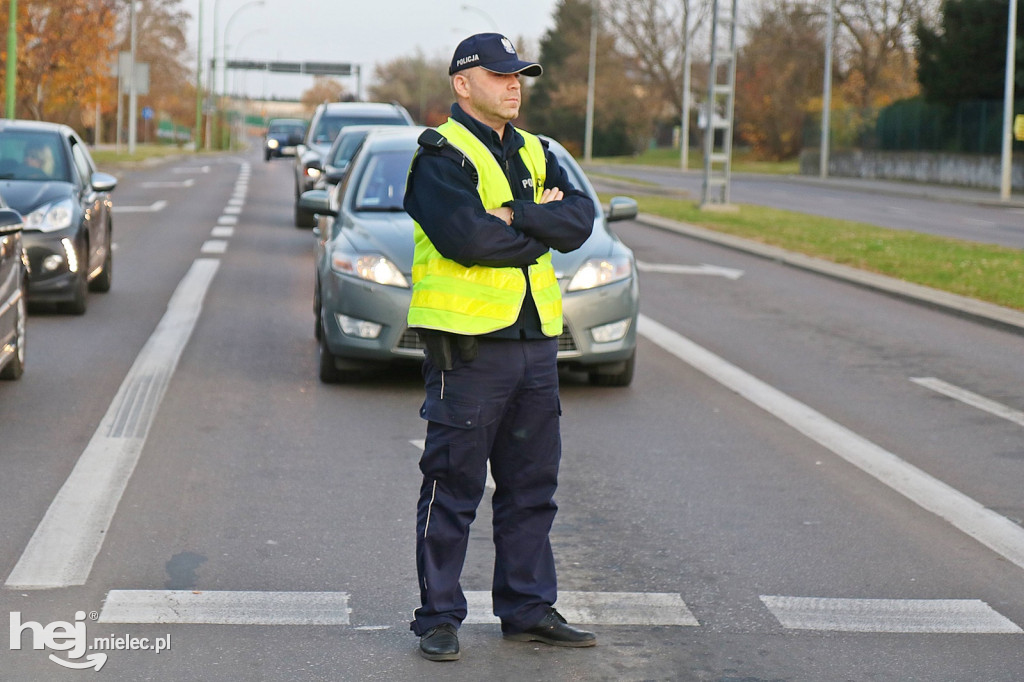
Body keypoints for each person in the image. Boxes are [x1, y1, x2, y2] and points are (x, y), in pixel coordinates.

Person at [404, 32, 597, 662]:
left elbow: (580, 221)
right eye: (499, 74)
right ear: (463, 84)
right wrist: (535, 224)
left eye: (519, 74)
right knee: (452, 486)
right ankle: (438, 616)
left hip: (536, 344)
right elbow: (468, 239)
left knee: (532, 486)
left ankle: (528, 608)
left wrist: (515, 216)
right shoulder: (440, 155)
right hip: (469, 351)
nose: (514, 84)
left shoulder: (540, 151)